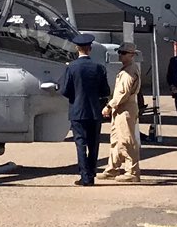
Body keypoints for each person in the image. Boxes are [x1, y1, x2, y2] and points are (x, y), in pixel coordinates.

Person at [58, 34, 111, 185]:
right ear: (90, 48)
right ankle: (92, 173)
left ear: (76, 48)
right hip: (95, 111)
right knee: (94, 144)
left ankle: (85, 176)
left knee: (80, 143)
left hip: (77, 110)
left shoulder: (72, 67)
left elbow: (65, 90)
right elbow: (105, 91)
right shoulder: (98, 67)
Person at [100, 45, 144, 182]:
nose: (120, 55)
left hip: (125, 107)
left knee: (126, 139)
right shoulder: (126, 69)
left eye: (123, 53)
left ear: (131, 55)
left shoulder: (130, 70)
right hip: (120, 107)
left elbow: (123, 93)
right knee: (116, 139)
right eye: (119, 52)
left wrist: (109, 105)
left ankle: (132, 171)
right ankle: (112, 168)